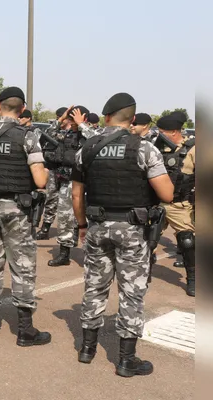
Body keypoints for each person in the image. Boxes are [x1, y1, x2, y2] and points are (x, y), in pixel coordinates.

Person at [70, 92, 173, 376]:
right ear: (132, 118)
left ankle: (87, 349)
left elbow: (76, 195)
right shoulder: (145, 149)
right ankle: (127, 360)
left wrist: (81, 226)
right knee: (132, 292)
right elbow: (166, 194)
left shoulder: (87, 148)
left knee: (94, 287)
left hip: (97, 226)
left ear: (106, 117)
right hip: (132, 230)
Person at [0, 87, 51, 346]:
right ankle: (25, 331)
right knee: (22, 267)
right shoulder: (28, 137)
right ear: (23, 109)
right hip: (17, 210)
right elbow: (39, 179)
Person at [155, 111, 195, 296]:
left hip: (179, 204)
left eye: (162, 131)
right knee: (146, 239)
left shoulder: (193, 149)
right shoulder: (155, 148)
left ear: (173, 132)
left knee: (187, 241)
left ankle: (193, 280)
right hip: (155, 203)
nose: (159, 134)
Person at [44, 106, 89, 267]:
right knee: (64, 218)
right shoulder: (67, 134)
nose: (71, 121)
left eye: (73, 118)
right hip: (67, 181)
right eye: (70, 118)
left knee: (90, 219)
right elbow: (48, 135)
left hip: (88, 183)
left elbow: (97, 140)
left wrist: (82, 125)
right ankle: (64, 254)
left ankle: (93, 255)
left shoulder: (90, 135)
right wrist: (61, 119)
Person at [35, 107, 70, 240]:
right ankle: (45, 229)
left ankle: (71, 233)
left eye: (59, 117)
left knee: (68, 205)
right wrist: (60, 120)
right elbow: (49, 131)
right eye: (57, 118)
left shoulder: (76, 134)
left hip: (70, 174)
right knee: (51, 200)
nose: (58, 120)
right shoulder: (57, 132)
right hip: (54, 170)